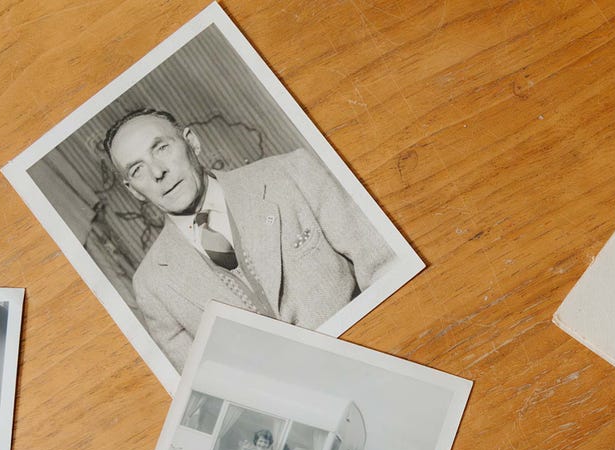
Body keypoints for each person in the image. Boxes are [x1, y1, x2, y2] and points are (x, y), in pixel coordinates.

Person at [103, 108, 396, 371]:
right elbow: (210, 388)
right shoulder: (152, 285)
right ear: (133, 190)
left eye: (162, 148)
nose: (157, 172)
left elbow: (386, 267)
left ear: (192, 142)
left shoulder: (290, 172)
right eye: (137, 169)